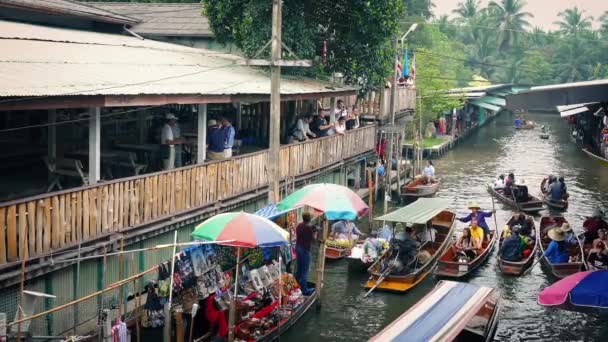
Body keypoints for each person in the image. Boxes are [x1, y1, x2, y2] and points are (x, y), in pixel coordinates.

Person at [295, 213, 316, 295]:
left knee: (299, 269)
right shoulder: (309, 228)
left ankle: (297, 287)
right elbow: (313, 239)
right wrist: (315, 232)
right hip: (305, 249)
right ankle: (304, 290)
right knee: (305, 271)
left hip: (298, 248)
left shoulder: (299, 226)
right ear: (309, 219)